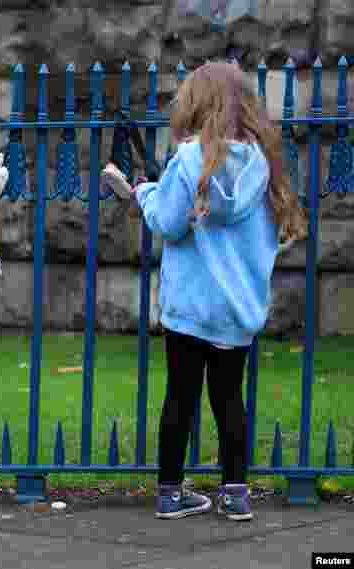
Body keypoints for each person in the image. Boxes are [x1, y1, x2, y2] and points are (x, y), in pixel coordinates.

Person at [120, 61, 307, 522]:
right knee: (229, 399)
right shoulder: (263, 164)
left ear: (195, 105)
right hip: (237, 307)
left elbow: (167, 222)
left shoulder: (188, 160)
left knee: (180, 397)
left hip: (189, 306)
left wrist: (144, 193)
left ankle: (169, 494)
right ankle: (236, 494)